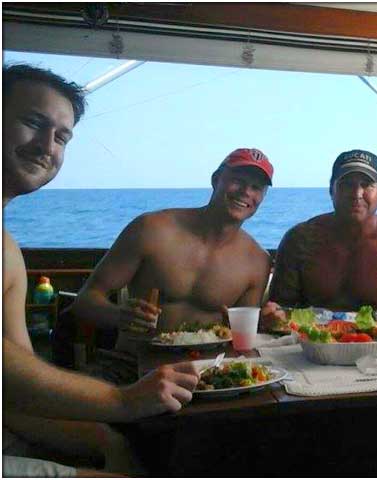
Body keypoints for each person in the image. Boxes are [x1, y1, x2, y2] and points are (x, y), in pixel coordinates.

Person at [2, 64, 198, 477]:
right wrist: (122, 401)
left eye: (62, 136)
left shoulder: (8, 249)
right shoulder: (152, 229)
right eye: (33, 122)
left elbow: (15, 392)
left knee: (118, 445)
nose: (46, 146)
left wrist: (105, 432)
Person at [72, 148, 274, 354]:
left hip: (208, 373)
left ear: (263, 197)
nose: (246, 192)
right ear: (216, 179)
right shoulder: (151, 229)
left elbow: (243, 340)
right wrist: (119, 316)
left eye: (256, 187)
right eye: (238, 180)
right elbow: (84, 301)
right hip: (133, 366)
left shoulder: (257, 261)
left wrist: (259, 324)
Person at [261, 149, 377, 328]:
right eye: (347, 184)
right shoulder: (300, 240)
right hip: (307, 347)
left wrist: (357, 327)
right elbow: (279, 310)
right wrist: (273, 317)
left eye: (367, 184)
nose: (357, 193)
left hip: (374, 348)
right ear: (332, 190)